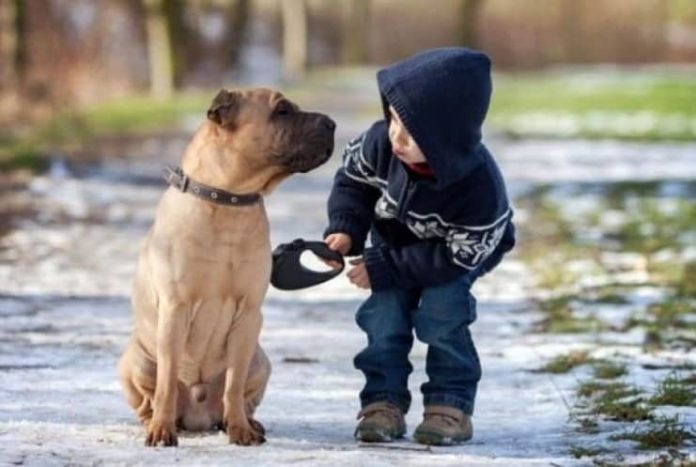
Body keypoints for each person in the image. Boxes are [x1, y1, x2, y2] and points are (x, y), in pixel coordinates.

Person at [323, 48, 515, 446]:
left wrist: (385, 267)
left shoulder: (480, 189)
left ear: (447, 138)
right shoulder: (379, 145)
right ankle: (383, 402)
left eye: (412, 130)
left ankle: (450, 405)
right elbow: (352, 184)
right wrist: (346, 228)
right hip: (397, 242)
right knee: (384, 315)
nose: (396, 135)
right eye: (392, 118)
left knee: (443, 312)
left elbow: (458, 256)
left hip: (459, 252)